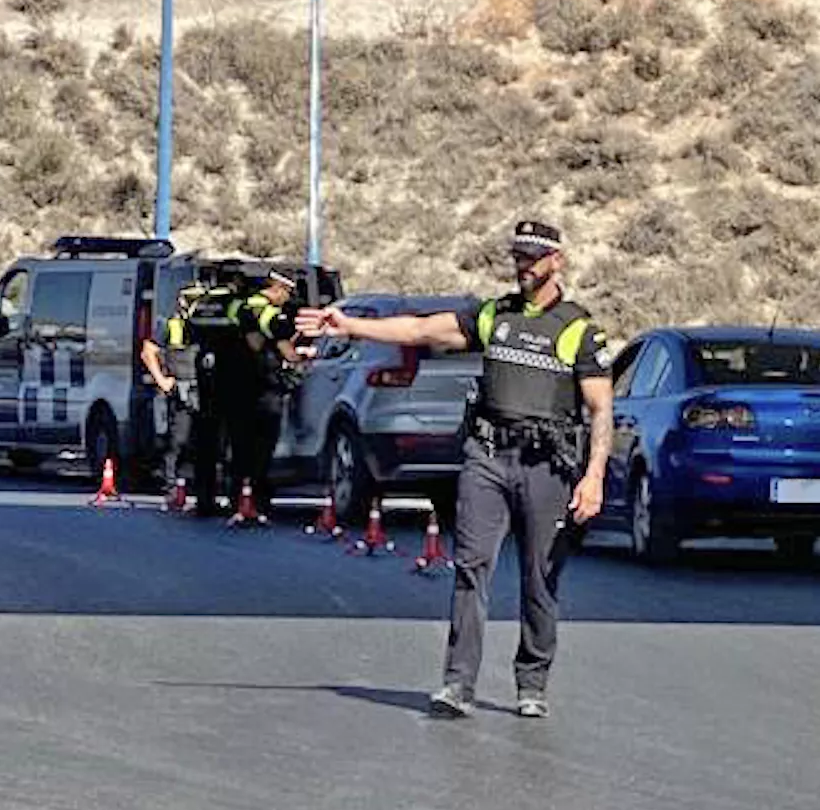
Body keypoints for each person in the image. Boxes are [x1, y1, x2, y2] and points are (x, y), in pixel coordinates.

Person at [297, 220, 615, 719]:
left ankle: (532, 682)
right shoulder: (495, 316)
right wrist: (351, 325)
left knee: (538, 577)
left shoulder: (578, 329)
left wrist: (593, 475)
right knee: (471, 568)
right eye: (518, 256)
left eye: (534, 257)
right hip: (487, 457)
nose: (524, 266)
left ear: (557, 261)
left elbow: (601, 409)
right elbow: (421, 328)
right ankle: (457, 683)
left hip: (545, 465)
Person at [138, 277, 233, 516]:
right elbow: (148, 351)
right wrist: (162, 379)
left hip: (207, 389)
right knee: (178, 441)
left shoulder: (210, 325)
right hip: (182, 388)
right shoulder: (171, 324)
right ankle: (172, 490)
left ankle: (208, 492)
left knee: (210, 443)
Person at [224, 269, 309, 523]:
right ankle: (258, 502)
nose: (288, 299)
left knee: (238, 447)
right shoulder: (270, 314)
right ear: (278, 288)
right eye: (288, 293)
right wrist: (303, 356)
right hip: (264, 388)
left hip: (234, 384)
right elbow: (286, 350)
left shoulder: (237, 305)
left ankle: (236, 499)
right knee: (262, 448)